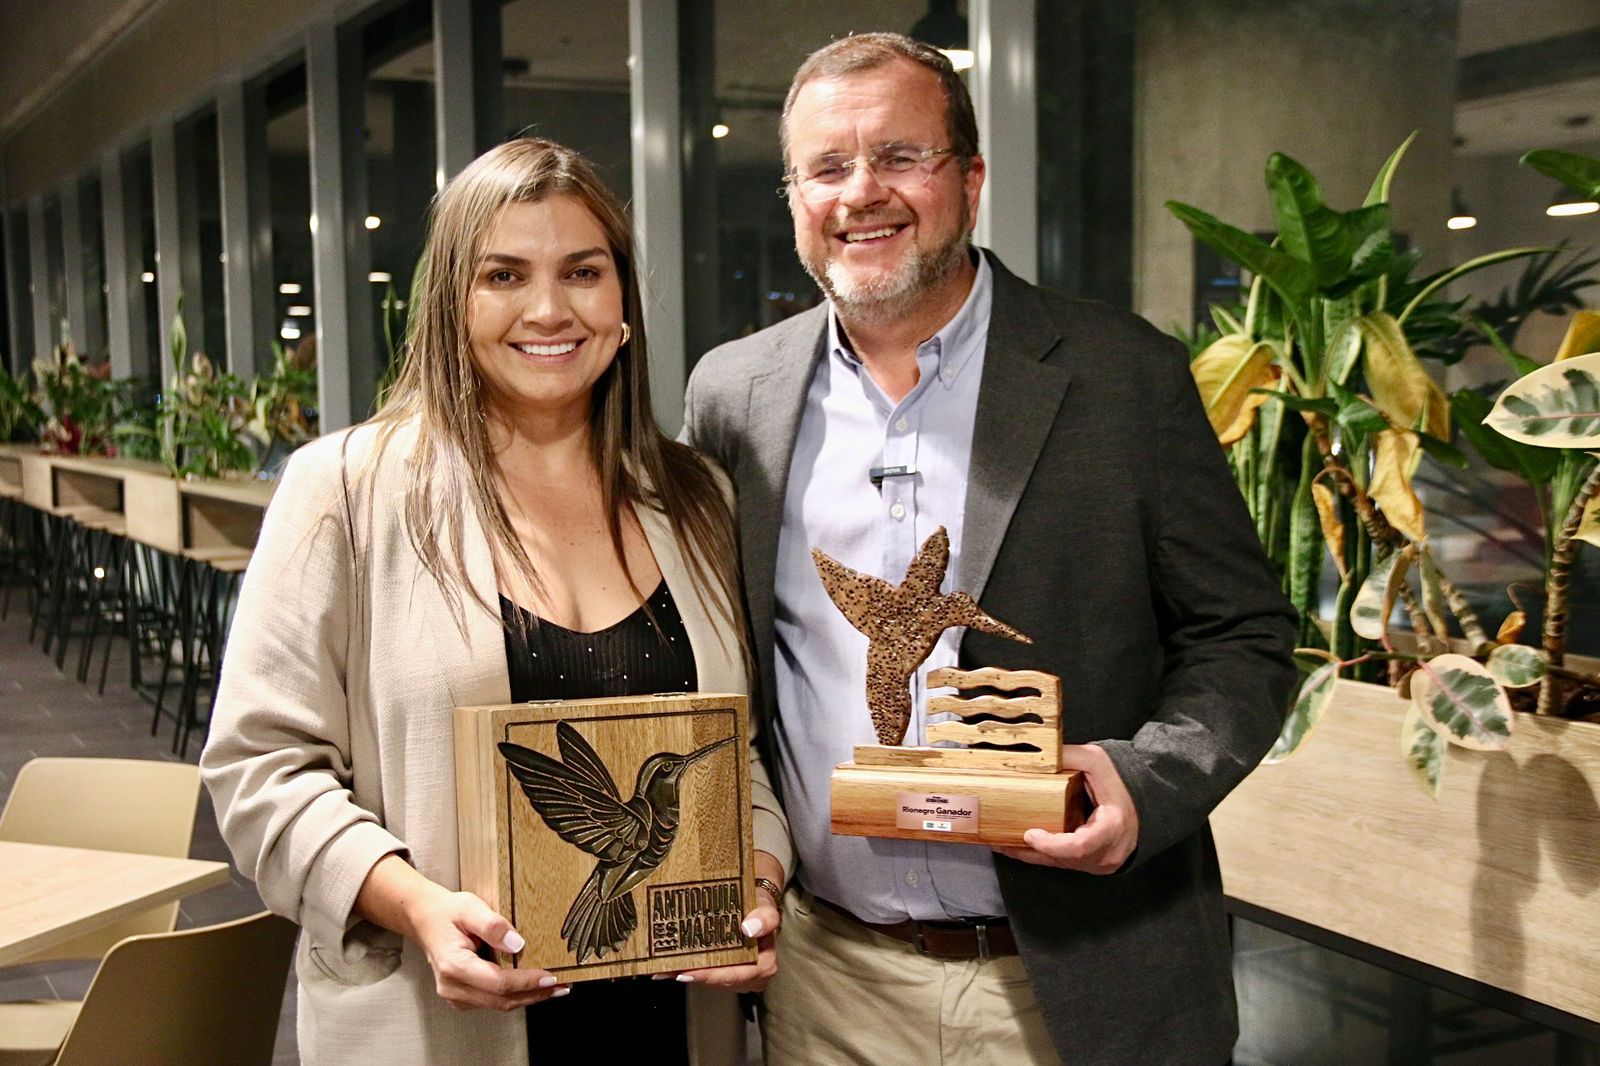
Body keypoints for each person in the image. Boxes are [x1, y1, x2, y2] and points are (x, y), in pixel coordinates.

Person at [681, 33, 1297, 1066]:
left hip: (1077, 977)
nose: (860, 192)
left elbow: (1244, 634)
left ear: (969, 179)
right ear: (794, 198)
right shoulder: (733, 396)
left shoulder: (1123, 375)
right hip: (826, 984)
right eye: (827, 167)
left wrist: (1145, 780)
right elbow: (721, 664)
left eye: (900, 156)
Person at [201, 138, 790, 1066]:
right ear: (452, 302)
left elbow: (738, 751)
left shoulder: (696, 500)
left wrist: (756, 878)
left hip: (670, 1029)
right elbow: (259, 769)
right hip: (444, 1023)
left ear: (623, 305)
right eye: (504, 275)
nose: (549, 309)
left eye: (582, 272)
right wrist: (412, 904)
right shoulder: (346, 491)